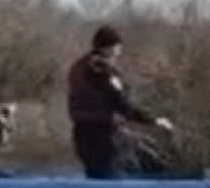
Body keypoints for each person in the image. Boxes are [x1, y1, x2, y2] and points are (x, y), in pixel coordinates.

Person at [66, 25, 173, 179]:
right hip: (102, 134)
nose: (119, 52)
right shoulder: (102, 71)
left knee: (95, 179)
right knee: (111, 177)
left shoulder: (79, 67)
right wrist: (152, 120)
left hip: (81, 132)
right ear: (108, 48)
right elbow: (120, 102)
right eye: (117, 47)